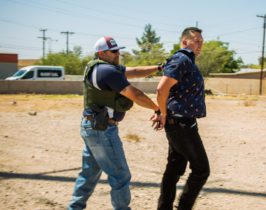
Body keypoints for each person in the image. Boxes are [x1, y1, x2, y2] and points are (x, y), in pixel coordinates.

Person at [68, 36, 162, 210]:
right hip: (102, 130)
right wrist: (158, 109)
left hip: (93, 127)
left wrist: (158, 68)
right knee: (120, 176)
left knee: (89, 175)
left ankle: (75, 207)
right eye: (114, 51)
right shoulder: (106, 71)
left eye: (119, 50)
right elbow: (135, 94)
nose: (118, 53)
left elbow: (134, 71)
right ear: (102, 53)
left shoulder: (101, 68)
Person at [154, 27, 210, 210]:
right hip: (181, 124)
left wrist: (163, 111)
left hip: (181, 122)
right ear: (185, 42)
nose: (200, 44)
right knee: (201, 170)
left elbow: (170, 92)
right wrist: (162, 112)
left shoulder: (187, 61)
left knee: (175, 167)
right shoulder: (182, 59)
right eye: (197, 40)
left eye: (201, 40)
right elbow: (162, 89)